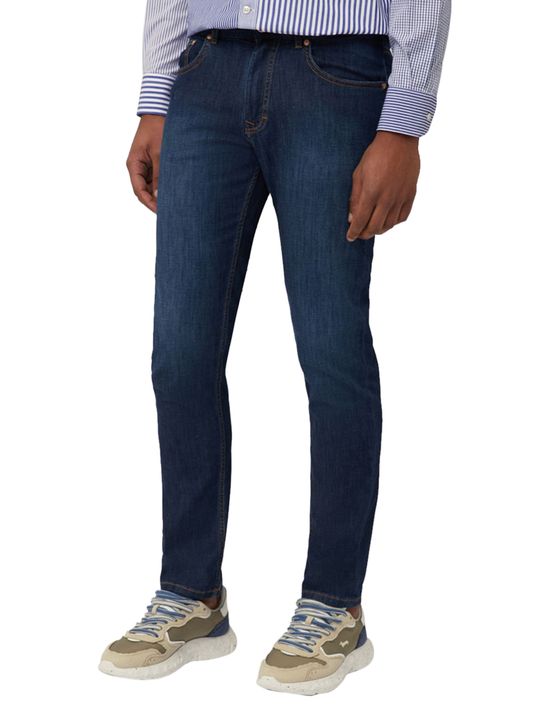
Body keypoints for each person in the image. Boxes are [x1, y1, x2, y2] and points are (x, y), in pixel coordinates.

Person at [99, 0, 451, 695]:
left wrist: (403, 124)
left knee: (331, 348)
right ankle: (192, 595)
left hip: (335, 71)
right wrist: (157, 97)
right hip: (205, 72)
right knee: (179, 353)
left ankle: (334, 605)